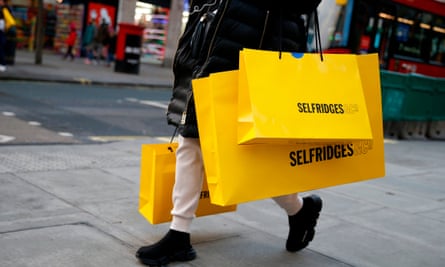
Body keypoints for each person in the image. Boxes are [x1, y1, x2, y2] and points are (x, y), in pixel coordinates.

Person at [136, 0, 323, 266]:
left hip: (264, 51)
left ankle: (300, 210)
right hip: (216, 42)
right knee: (191, 138)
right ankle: (179, 234)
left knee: (253, 157)